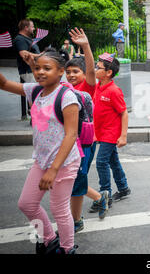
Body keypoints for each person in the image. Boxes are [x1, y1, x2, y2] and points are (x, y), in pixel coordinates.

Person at [0, 48, 81, 254]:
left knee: (59, 209)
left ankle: (66, 248)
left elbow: (71, 135)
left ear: (60, 71)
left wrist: (54, 170)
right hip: (42, 160)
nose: (40, 72)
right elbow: (3, 84)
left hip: (63, 163)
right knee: (26, 204)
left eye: (47, 68)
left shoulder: (66, 96)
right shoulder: (35, 90)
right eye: (37, 68)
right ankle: (49, 239)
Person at [64, 28, 109, 233]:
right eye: (69, 72)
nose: (72, 75)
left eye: (76, 72)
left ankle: (77, 221)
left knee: (76, 180)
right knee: (72, 180)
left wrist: (86, 46)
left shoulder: (87, 87)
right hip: (67, 143)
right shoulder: (65, 89)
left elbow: (91, 71)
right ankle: (99, 197)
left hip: (84, 144)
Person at [94, 54, 131, 204]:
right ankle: (123, 188)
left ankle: (105, 195)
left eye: (98, 67)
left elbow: (124, 113)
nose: (95, 69)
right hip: (101, 133)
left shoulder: (114, 91)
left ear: (108, 73)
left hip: (110, 133)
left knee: (101, 162)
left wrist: (123, 136)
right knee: (113, 161)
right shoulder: (98, 86)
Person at [13, 19, 41, 119]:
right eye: (32, 26)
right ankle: (35, 117)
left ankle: (35, 116)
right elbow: (23, 54)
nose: (34, 28)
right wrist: (40, 55)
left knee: (36, 91)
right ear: (26, 28)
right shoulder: (20, 39)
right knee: (34, 92)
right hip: (28, 71)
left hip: (34, 70)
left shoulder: (28, 38)